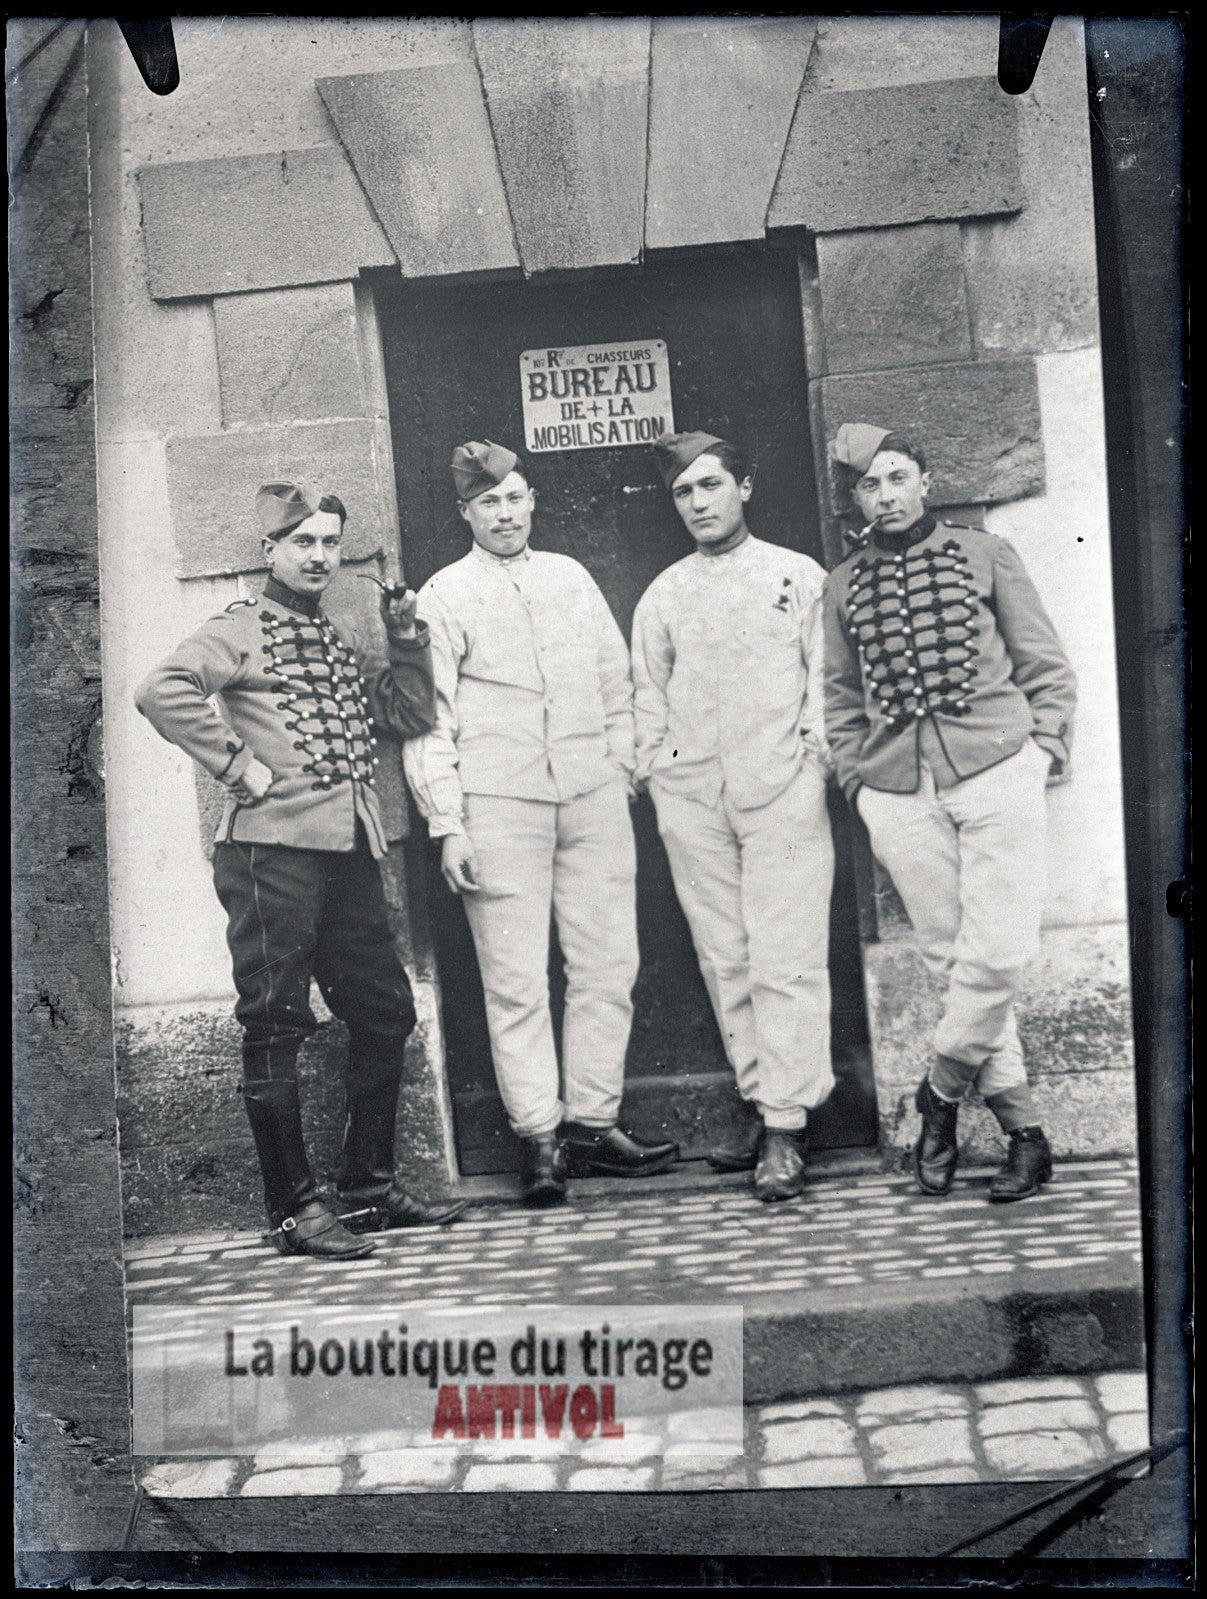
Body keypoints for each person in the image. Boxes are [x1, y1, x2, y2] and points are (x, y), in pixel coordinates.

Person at [135, 482, 468, 1259]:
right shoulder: (240, 629)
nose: (319, 555)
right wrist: (233, 762)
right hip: (269, 854)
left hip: (347, 851)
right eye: (304, 542)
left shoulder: (334, 638)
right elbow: (159, 688)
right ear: (271, 551)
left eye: (329, 543)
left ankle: (369, 1185)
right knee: (276, 1022)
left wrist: (405, 637)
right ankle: (293, 1211)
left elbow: (409, 715)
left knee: (385, 1009)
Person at [402, 441, 678, 1206]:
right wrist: (447, 823)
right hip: (499, 807)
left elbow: (615, 680)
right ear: (465, 512)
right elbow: (431, 719)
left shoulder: (570, 578)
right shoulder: (444, 595)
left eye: (515, 497)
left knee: (606, 965)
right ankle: (539, 1138)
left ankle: (592, 1121)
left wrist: (620, 767)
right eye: (488, 502)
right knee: (516, 980)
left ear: (532, 501)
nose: (505, 513)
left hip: (591, 798)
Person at [823, 422, 1077, 1201]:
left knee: (995, 954)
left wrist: (1043, 749)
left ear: (926, 479)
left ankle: (937, 1092)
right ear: (856, 498)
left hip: (996, 767)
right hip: (898, 788)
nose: (886, 494)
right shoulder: (843, 584)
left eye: (898, 476)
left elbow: (1045, 664)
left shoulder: (984, 553)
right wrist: (856, 781)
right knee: (949, 961)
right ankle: (1024, 1138)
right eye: (870, 484)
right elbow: (837, 698)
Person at [631, 431, 836, 1202]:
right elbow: (644, 693)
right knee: (727, 956)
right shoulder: (664, 592)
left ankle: (787, 1128)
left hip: (780, 785)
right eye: (683, 492)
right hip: (692, 798)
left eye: (711, 485)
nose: (698, 503)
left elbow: (826, 676)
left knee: (784, 954)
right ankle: (763, 1103)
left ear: (742, 486)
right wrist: (657, 773)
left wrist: (813, 759)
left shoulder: (795, 574)